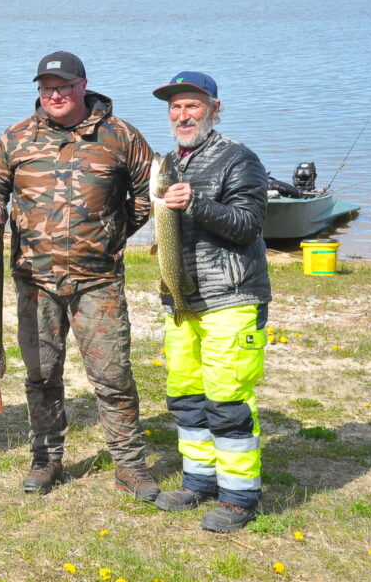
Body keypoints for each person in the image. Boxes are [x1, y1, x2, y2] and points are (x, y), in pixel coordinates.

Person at [0, 51, 159, 501]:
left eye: (63, 86)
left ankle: (130, 466)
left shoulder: (121, 136)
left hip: (98, 282)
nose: (55, 94)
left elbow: (146, 195)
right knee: (41, 376)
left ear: (83, 86)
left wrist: (110, 233)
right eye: (46, 87)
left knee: (113, 378)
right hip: (34, 280)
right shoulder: (15, 138)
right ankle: (46, 458)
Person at [150, 72, 271, 532]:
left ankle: (239, 497)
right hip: (181, 300)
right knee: (185, 394)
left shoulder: (239, 158)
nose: (182, 116)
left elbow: (247, 225)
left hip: (233, 296)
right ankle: (198, 480)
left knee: (227, 397)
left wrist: (195, 203)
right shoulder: (172, 164)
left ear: (214, 109)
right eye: (175, 108)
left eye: (193, 106)